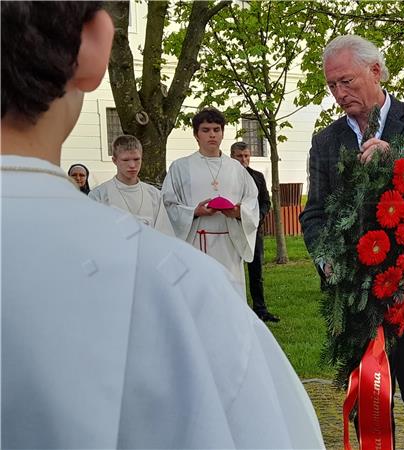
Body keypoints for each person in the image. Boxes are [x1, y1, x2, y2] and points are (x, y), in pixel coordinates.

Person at [0, 3, 323, 448]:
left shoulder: (189, 260)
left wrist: (234, 212)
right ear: (96, 46)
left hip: (226, 243)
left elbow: (249, 202)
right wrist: (192, 215)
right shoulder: (180, 292)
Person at [298, 34, 404, 450]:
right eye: (332, 86)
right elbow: (315, 213)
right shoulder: (326, 141)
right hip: (357, 298)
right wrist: (325, 257)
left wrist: (400, 156)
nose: (340, 94)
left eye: (347, 82)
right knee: (369, 401)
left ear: (375, 71)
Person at [161, 107, 260, 298]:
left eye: (216, 129)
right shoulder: (181, 167)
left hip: (229, 245)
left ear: (223, 133)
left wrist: (239, 212)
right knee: (198, 297)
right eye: (205, 130)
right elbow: (168, 205)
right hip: (196, 242)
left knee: (228, 297)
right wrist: (194, 211)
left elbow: (252, 200)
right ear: (196, 134)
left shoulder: (236, 168)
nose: (212, 135)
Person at [230, 142, 280, 323]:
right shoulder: (226, 178)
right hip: (231, 229)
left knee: (256, 272)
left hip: (254, 231)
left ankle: (260, 310)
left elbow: (266, 201)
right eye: (239, 156)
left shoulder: (258, 177)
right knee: (232, 270)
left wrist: (258, 217)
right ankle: (233, 308)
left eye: (246, 156)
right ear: (232, 157)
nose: (243, 160)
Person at [88, 135, 174, 236]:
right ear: (114, 160)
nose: (132, 165)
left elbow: (164, 234)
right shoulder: (99, 195)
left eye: (136, 159)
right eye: (125, 160)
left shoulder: (153, 194)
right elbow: (94, 233)